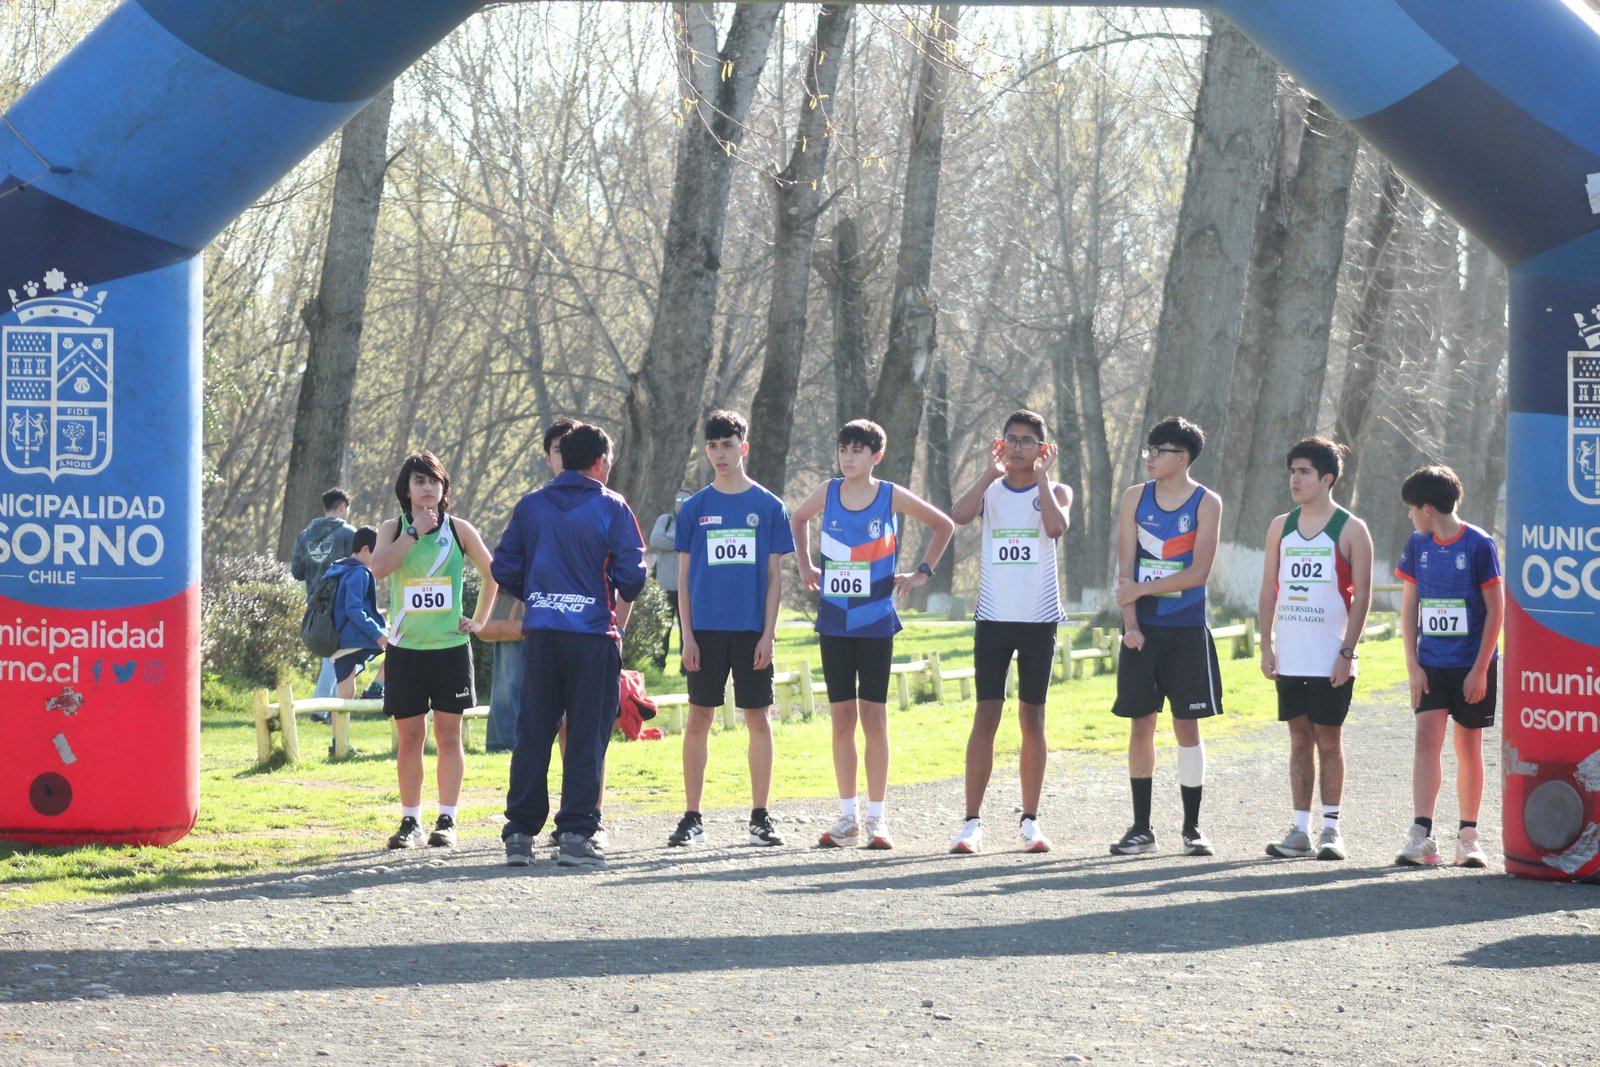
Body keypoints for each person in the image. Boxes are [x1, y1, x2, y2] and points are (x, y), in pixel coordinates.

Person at [790, 419, 954, 849]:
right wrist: (806, 566)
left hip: (876, 621)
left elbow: (944, 525)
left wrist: (922, 572)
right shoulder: (827, 492)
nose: (848, 457)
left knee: (873, 718)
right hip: (835, 621)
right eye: (844, 448)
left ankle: (878, 819)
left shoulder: (889, 495)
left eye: (858, 450)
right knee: (841, 719)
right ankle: (848, 818)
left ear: (875, 456)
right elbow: (799, 517)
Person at [492, 424, 647, 868]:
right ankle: (577, 833)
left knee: (533, 733)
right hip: (593, 636)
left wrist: (540, 595)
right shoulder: (612, 506)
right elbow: (633, 577)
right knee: (585, 736)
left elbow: (504, 566)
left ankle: (519, 834)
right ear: (600, 462)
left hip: (541, 635)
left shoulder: (531, 505)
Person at [946, 410, 1072, 855]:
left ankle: (1031, 820)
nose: (1018, 447)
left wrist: (1041, 480)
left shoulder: (1055, 490)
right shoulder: (992, 491)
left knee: (1032, 719)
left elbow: (1056, 528)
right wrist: (986, 474)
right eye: (1011, 439)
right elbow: (959, 516)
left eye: (1027, 440)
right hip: (994, 620)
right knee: (986, 716)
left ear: (1043, 447)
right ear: (1000, 445)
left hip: (1038, 621)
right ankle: (971, 822)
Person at [669, 410, 795, 848]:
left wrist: (768, 633)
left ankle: (760, 816)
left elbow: (775, 577)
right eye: (713, 446)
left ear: (744, 448)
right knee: (698, 718)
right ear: (706, 452)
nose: (721, 453)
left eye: (729, 445)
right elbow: (683, 578)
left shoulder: (768, 506)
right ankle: (692, 818)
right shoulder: (695, 509)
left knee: (757, 718)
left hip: (751, 631)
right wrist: (688, 636)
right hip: (704, 631)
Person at [368, 451, 498, 851]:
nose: (427, 488)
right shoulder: (393, 527)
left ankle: (448, 819)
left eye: (434, 482)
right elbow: (378, 569)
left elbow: (494, 572)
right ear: (406, 490)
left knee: (448, 735)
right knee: (410, 737)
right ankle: (410, 820)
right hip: (406, 649)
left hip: (450, 649)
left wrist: (479, 621)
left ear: (443, 489)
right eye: (419, 481)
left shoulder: (459, 529)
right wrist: (413, 534)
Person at [1109, 416, 1222, 858]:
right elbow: (1125, 568)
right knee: (1141, 724)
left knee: (1186, 725)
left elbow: (1198, 572)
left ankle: (1192, 829)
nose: (1150, 458)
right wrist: (1131, 622)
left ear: (1184, 457)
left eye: (1159, 451)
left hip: (1186, 628)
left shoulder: (1206, 503)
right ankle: (1141, 828)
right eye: (1148, 450)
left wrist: (1140, 589)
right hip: (1143, 630)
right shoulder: (1135, 498)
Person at [1257, 438, 1373, 861]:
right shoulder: (1280, 527)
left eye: (1304, 472)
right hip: (1289, 654)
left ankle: (1331, 830)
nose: (1295, 479)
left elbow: (1362, 598)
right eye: (1291, 471)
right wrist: (1265, 643)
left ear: (1327, 478)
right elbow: (1269, 589)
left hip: (1330, 658)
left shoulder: (1351, 528)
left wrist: (1347, 652)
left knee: (1329, 739)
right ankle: (1299, 830)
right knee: (1298, 739)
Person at [1393, 465, 1503, 868]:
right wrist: (1413, 665)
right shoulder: (1418, 545)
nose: (1409, 517)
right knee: (1426, 740)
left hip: (1472, 665)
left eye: (1410, 509)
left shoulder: (1479, 544)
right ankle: (1422, 835)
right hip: (1431, 664)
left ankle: (1468, 837)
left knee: (1468, 745)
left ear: (1427, 508)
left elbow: (1496, 610)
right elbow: (1409, 608)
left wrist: (1479, 669)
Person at [485, 418, 577, 753]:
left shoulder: (604, 501)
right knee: (513, 682)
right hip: (530, 612)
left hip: (579, 620)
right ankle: (505, 745)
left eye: (571, 447)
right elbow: (505, 562)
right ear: (547, 458)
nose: (565, 456)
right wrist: (533, 590)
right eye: (557, 449)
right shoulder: (532, 505)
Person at [290, 488, 355, 700]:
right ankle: (322, 705)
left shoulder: (304, 535)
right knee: (338, 653)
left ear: (324, 508)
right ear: (343, 507)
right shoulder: (349, 534)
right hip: (343, 602)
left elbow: (297, 572)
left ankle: (327, 703)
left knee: (334, 653)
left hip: (315, 602)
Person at [321, 525, 388, 701]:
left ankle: (338, 730)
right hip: (355, 637)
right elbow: (354, 609)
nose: (380, 560)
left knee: (345, 694)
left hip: (339, 639)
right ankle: (376, 689)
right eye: (378, 554)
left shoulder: (338, 568)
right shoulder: (360, 573)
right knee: (400, 647)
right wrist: (378, 634)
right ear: (365, 550)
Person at [649, 488, 693, 671]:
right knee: (662, 631)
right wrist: (683, 539)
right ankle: (658, 666)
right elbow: (655, 540)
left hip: (688, 588)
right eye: (678, 500)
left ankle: (687, 668)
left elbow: (698, 541)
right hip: (665, 585)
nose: (681, 504)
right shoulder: (664, 520)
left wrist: (672, 540)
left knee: (688, 631)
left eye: (685, 501)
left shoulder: (696, 522)